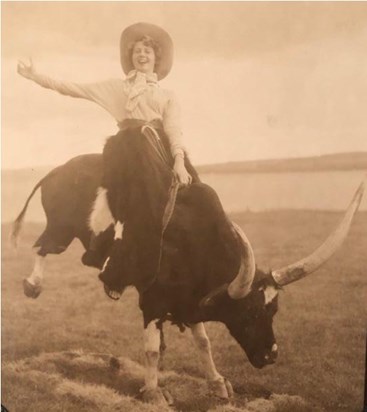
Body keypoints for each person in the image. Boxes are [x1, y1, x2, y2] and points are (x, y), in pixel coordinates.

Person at [17, 22, 198, 299]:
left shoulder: (166, 96)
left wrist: (178, 160)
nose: (142, 55)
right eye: (137, 51)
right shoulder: (117, 88)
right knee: (111, 203)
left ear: (156, 59)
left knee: (193, 192)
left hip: (157, 151)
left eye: (148, 51)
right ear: (131, 57)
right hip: (125, 152)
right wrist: (35, 76)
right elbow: (73, 88)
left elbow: (174, 130)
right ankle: (110, 257)